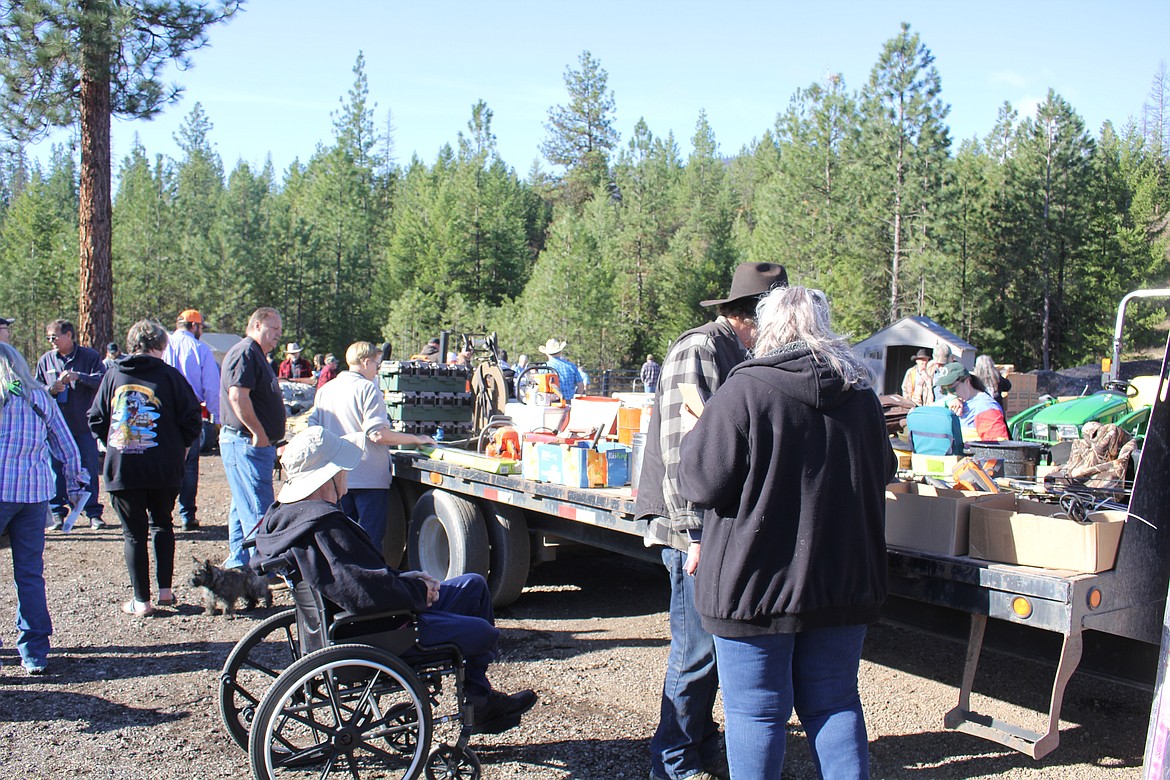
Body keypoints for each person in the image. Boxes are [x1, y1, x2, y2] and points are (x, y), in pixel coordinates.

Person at [677, 286, 897, 780]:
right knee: (835, 703)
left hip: (753, 583)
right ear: (826, 326)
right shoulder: (859, 395)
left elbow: (700, 481)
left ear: (767, 328)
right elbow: (884, 469)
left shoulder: (744, 390)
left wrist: (700, 425)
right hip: (840, 580)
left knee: (756, 713)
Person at [250, 425, 538, 733]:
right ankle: (479, 704)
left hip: (368, 612)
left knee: (474, 587)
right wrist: (415, 589)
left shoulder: (292, 518)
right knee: (481, 632)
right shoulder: (324, 527)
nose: (349, 472)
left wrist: (405, 578)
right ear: (327, 477)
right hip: (383, 626)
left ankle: (478, 697)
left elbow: (357, 578)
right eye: (342, 468)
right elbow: (362, 591)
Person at [635, 261, 788, 780]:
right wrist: (696, 533)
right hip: (690, 531)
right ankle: (672, 760)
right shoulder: (700, 347)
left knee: (712, 652)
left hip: (711, 530)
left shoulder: (735, 352)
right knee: (696, 652)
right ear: (752, 316)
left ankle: (698, 744)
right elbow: (682, 450)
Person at [89, 320, 202, 617]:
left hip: (124, 468)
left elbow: (96, 418)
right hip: (164, 467)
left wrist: (115, 442)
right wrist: (180, 446)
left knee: (134, 534)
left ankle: (142, 601)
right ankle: (164, 592)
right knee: (163, 523)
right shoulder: (170, 376)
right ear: (161, 346)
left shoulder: (113, 374)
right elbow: (192, 418)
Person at [0, 342, 88, 675]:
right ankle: (34, 652)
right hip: (33, 496)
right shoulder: (39, 398)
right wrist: (75, 486)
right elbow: (67, 446)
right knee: (29, 575)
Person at [307, 341, 434, 549]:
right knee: (369, 544)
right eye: (376, 364)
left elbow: (314, 428)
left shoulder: (326, 390)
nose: (377, 370)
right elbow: (377, 434)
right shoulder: (367, 389)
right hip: (368, 478)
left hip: (337, 478)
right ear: (365, 362)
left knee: (342, 540)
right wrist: (416, 439)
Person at [219, 307, 287, 569]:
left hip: (249, 443)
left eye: (280, 331)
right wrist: (259, 433)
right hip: (245, 442)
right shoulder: (245, 351)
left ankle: (239, 565)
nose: (278, 335)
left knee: (242, 506)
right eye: (274, 329)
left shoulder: (255, 354)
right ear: (257, 325)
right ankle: (266, 570)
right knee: (259, 510)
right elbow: (238, 396)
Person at [36, 318, 106, 529]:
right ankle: (57, 512)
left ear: (69, 335)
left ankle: (93, 512)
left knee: (89, 468)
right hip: (56, 427)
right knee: (55, 469)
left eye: (55, 337)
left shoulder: (89, 357)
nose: (52, 342)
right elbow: (36, 387)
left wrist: (79, 377)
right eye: (49, 338)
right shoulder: (46, 360)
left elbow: (103, 380)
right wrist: (51, 389)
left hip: (82, 425)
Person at [162, 309, 222, 531]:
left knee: (165, 461)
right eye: (200, 328)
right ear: (194, 326)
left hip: (164, 409)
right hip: (189, 409)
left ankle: (163, 511)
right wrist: (218, 417)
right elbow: (211, 388)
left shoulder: (164, 344)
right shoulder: (200, 349)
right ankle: (187, 514)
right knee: (189, 465)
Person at [933, 362, 1009, 441]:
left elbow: (997, 449)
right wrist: (948, 400)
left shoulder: (985, 408)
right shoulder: (952, 401)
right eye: (944, 391)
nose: (949, 394)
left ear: (967, 382)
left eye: (952, 389)